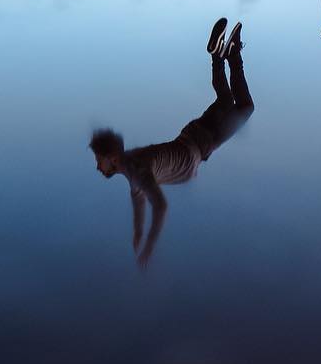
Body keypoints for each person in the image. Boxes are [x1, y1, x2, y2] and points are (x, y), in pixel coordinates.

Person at [89, 19, 254, 268]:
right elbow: (139, 201)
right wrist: (137, 232)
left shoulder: (136, 171)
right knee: (225, 100)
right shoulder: (132, 170)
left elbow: (161, 206)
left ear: (112, 156)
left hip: (199, 146)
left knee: (243, 107)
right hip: (192, 137)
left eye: (98, 160)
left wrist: (148, 246)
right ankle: (224, 53)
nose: (97, 167)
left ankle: (226, 54)